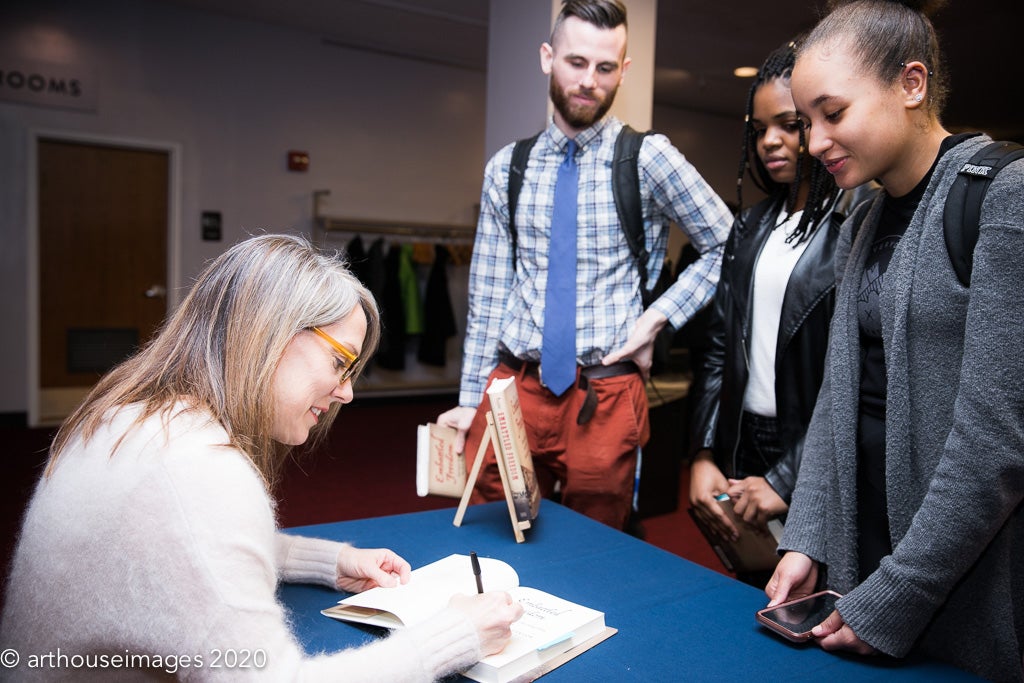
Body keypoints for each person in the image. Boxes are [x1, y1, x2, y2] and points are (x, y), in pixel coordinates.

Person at [0, 234, 523, 681]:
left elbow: (178, 548)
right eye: (339, 362)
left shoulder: (136, 418)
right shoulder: (202, 471)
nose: (346, 393)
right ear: (268, 335)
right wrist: (458, 635)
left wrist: (327, 563)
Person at [764, 1, 1024, 680]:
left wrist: (902, 588)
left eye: (833, 112)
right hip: (866, 559)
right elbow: (839, 395)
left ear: (911, 85)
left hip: (959, 579)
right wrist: (809, 535)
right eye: (806, 121)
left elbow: (995, 440)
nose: (814, 141)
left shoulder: (1004, 193)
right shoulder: (865, 216)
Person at [436, 0, 732, 530]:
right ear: (548, 57)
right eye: (576, 62)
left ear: (624, 70)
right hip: (513, 388)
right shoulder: (509, 166)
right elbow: (487, 293)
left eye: (605, 67)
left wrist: (656, 319)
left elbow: (726, 244)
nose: (589, 81)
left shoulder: (648, 157)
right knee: (498, 529)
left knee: (597, 542)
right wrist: (467, 399)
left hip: (606, 391)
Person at [687, 39, 843, 585]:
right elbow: (718, 346)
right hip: (744, 436)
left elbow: (858, 380)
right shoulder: (750, 226)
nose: (770, 141)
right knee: (753, 588)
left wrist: (789, 474)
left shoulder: (856, 220)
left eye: (788, 124)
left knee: (817, 592)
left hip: (815, 443)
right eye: (759, 129)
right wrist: (703, 452)